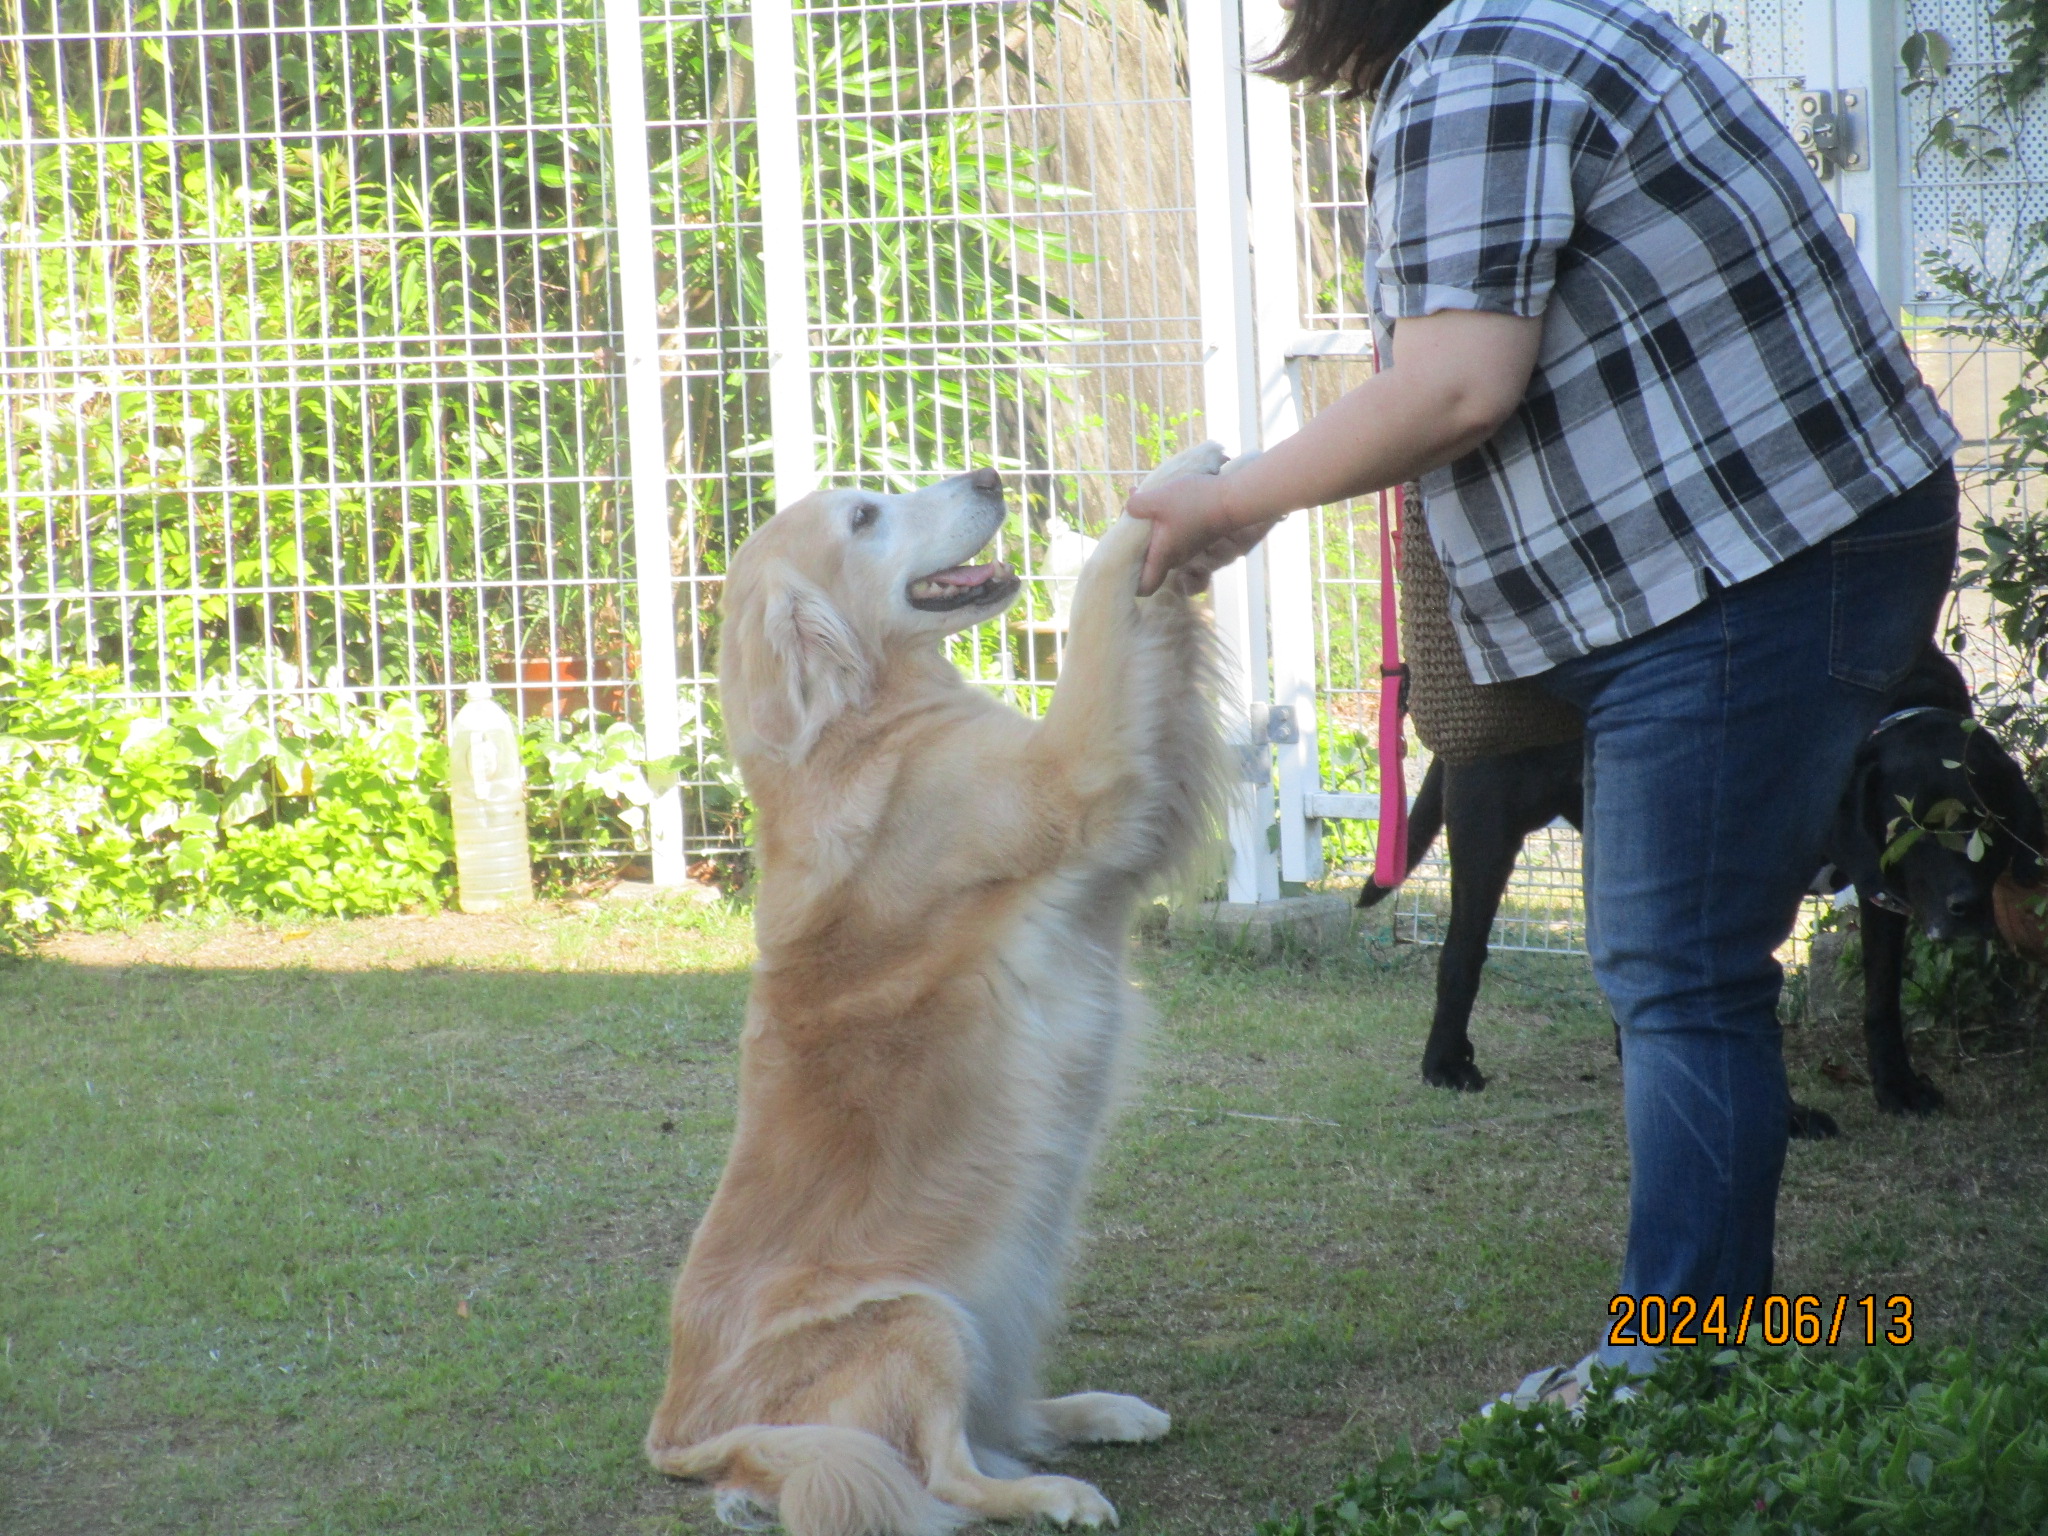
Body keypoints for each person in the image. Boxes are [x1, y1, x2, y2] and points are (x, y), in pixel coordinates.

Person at [1127, 0, 1961, 1402]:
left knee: (1677, 970)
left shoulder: (1480, 62)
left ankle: (1680, 1372)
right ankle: (1729, 1341)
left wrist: (1233, 505)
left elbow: (1455, 382)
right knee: (1680, 966)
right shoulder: (1540, 27)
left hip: (1759, 560)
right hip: (1771, 545)